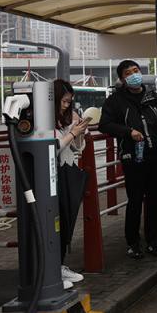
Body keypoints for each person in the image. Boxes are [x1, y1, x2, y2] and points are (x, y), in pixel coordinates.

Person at [99, 60, 157, 259]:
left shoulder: (153, 97)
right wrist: (128, 132)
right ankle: (133, 243)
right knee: (135, 200)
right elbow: (104, 125)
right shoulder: (115, 100)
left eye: (136, 71)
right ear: (122, 79)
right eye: (128, 73)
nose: (133, 75)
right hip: (133, 158)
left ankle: (153, 241)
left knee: (155, 200)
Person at [54, 80, 89, 288]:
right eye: (64, 101)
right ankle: (53, 269)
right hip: (54, 176)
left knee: (65, 220)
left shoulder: (61, 121)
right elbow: (52, 148)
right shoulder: (44, 121)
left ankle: (59, 266)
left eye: (69, 102)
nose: (67, 105)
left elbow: (77, 148)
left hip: (67, 172)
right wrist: (73, 133)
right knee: (57, 222)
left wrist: (78, 131)